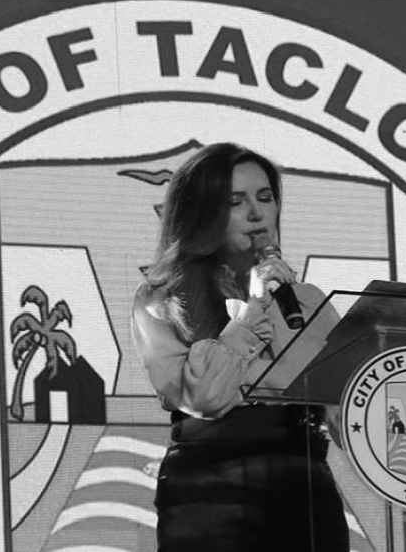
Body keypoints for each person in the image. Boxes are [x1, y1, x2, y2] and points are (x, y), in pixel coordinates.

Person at [131, 142, 350, 552]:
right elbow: (203, 398)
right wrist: (254, 307)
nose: (256, 214)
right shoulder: (162, 297)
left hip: (303, 488)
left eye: (265, 198)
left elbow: (347, 413)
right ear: (201, 212)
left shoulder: (306, 301)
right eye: (235, 202)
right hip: (209, 492)